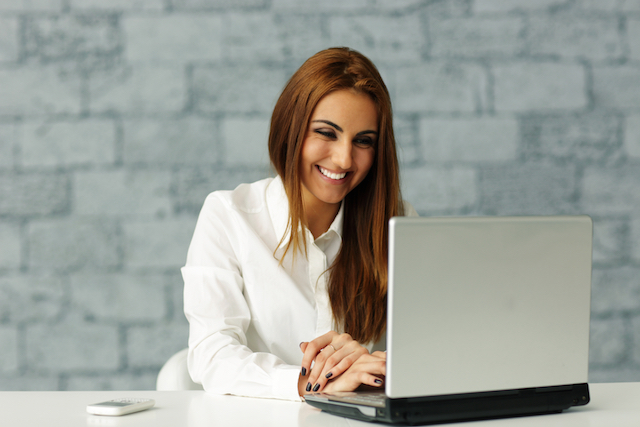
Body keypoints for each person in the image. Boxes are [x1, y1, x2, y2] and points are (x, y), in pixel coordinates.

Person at [182, 47, 417, 401]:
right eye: (326, 132)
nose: (344, 159)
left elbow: (427, 346)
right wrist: (315, 386)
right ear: (291, 129)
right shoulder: (228, 215)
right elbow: (212, 354)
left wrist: (373, 366)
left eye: (363, 141)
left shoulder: (396, 223)